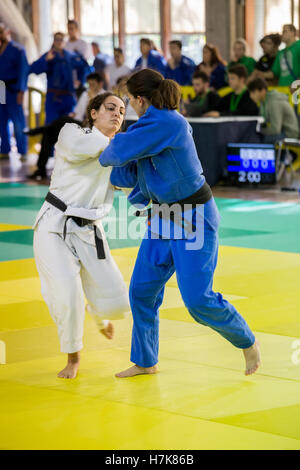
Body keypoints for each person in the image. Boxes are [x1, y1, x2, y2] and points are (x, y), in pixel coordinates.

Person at [99, 69, 261, 378]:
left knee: (198, 300)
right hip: (162, 218)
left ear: (140, 99)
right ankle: (146, 360)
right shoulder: (146, 128)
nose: (128, 107)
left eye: (129, 100)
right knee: (142, 291)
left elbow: (115, 154)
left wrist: (105, 141)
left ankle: (246, 341)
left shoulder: (168, 123)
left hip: (194, 219)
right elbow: (123, 171)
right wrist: (113, 150)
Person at [33, 93, 130, 379]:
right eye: (110, 108)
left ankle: (97, 313)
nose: (116, 114)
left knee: (116, 300)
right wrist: (123, 146)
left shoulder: (117, 153)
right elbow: (83, 149)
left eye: (122, 112)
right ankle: (73, 356)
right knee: (67, 293)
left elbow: (132, 187)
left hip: (90, 230)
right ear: (93, 112)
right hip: (54, 225)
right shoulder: (71, 133)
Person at [27, 72, 106, 180]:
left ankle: (38, 130)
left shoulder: (105, 97)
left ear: (100, 84)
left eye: (93, 84)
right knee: (49, 134)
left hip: (90, 126)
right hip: (78, 124)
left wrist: (92, 100)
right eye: (89, 84)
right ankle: (40, 170)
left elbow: (97, 118)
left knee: (60, 123)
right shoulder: (85, 94)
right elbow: (77, 112)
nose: (91, 87)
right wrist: (71, 115)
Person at [29, 32, 89, 125]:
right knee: (52, 125)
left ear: (65, 41)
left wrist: (80, 80)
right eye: (57, 39)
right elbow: (33, 69)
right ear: (54, 41)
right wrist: (45, 60)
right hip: (53, 98)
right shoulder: (49, 55)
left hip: (68, 97)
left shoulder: (71, 56)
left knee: (68, 125)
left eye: (61, 39)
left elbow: (84, 66)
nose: (59, 42)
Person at [0, 22, 29, 160]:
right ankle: (4, 149)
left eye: (1, 32)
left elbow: (23, 71)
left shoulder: (18, 50)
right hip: (1, 88)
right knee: (2, 120)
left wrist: (21, 91)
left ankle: (23, 151)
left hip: (13, 89)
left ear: (8, 31)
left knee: (18, 122)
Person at [248, 77, 299, 143]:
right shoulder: (263, 102)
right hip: (281, 132)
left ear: (263, 91)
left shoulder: (274, 102)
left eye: (253, 92)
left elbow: (275, 130)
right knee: (254, 137)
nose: (251, 96)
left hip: (289, 134)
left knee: (259, 139)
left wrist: (259, 130)